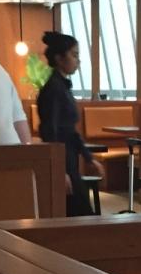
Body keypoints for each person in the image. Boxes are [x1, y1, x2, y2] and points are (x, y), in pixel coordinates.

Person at [37, 31, 103, 217]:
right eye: (74, 55)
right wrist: (60, 170)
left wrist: (88, 158)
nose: (78, 61)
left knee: (80, 213)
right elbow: (50, 132)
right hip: (63, 160)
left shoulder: (61, 86)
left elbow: (70, 130)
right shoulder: (53, 89)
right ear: (59, 58)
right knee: (79, 214)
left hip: (69, 158)